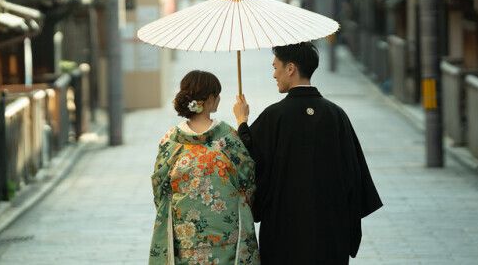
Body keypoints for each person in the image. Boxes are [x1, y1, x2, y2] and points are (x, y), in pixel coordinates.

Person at [233, 42, 382, 264]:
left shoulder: (274, 116)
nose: (274, 74)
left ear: (290, 68)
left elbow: (246, 161)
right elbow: (354, 174)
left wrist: (242, 121)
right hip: (331, 230)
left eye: (276, 67)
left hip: (284, 229)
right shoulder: (336, 115)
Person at [150, 70, 260, 265]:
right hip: (226, 236)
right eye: (217, 95)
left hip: (185, 236)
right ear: (210, 99)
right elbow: (248, 182)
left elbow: (159, 188)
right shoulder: (227, 137)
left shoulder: (172, 140)